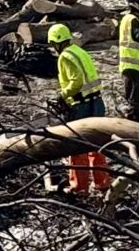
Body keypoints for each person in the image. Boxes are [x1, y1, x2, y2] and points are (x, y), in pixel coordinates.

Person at [47, 22, 111, 196]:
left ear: (56, 43)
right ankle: (102, 183)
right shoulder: (80, 51)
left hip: (82, 105)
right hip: (96, 102)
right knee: (97, 144)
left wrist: (62, 95)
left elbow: (76, 81)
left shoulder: (65, 56)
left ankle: (79, 187)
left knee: (75, 146)